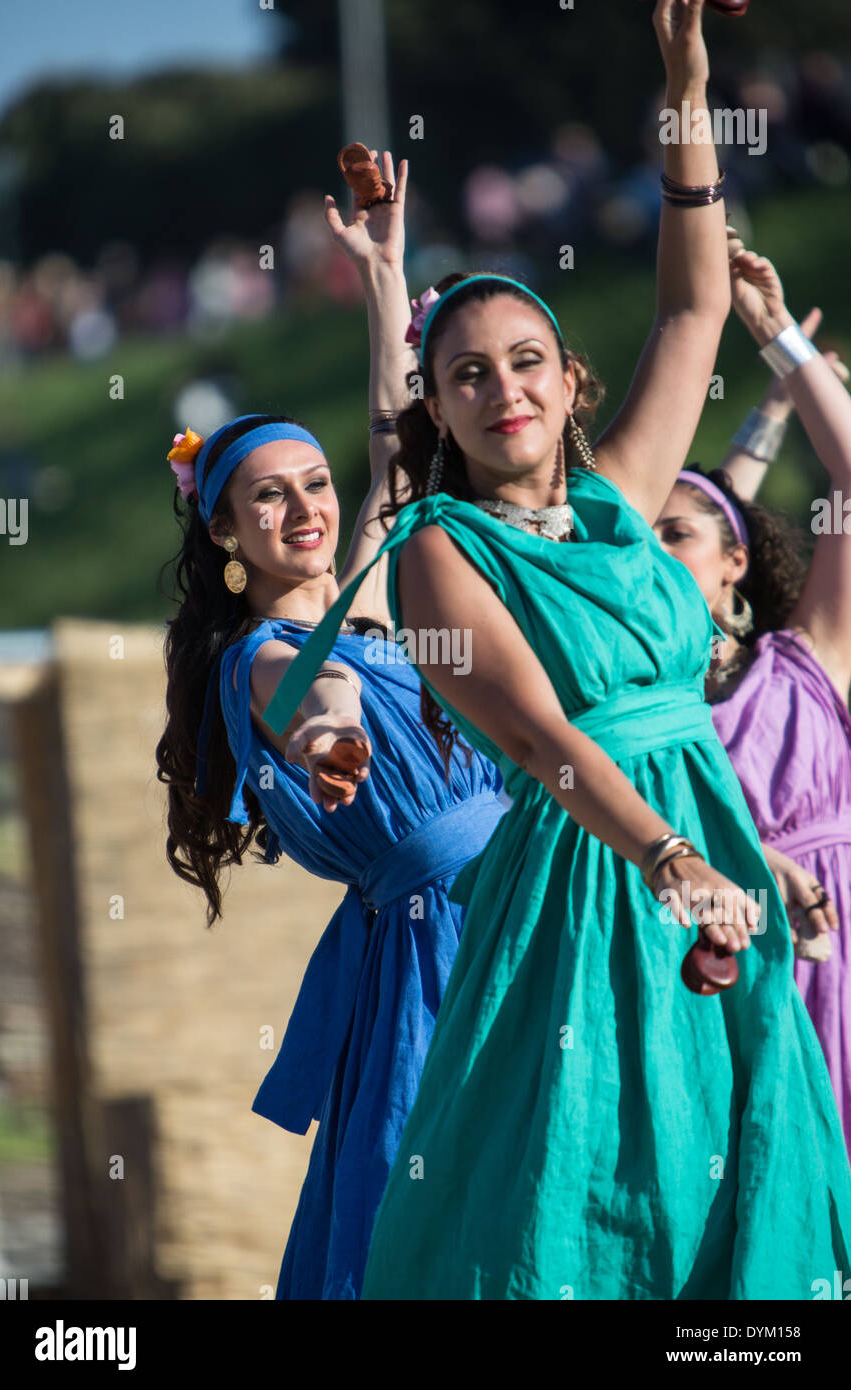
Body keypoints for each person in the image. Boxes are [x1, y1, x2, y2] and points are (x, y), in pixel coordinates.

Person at [262, 0, 851, 1299]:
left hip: (703, 847)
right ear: (437, 406)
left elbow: (694, 309)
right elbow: (534, 734)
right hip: (591, 879)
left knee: (739, 1188)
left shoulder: (620, 505)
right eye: (465, 374)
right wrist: (673, 857)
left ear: (569, 382)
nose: (502, 386)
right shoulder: (435, 546)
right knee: (574, 1199)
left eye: (525, 359)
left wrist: (686, 84)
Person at [155, 152, 507, 1300]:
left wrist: (383, 273)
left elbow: (393, 451)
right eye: (270, 494)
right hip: (431, 940)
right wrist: (329, 746)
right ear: (225, 534)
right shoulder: (256, 658)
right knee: (426, 1208)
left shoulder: (373, 602)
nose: (306, 506)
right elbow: (319, 706)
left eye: (315, 485)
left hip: (510, 895)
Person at [653, 235, 851, 1150]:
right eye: (637, 544)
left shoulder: (808, 659)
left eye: (676, 536)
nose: (651, 556)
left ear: (737, 561)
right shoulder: (632, 713)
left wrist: (778, 337)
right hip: (715, 978)